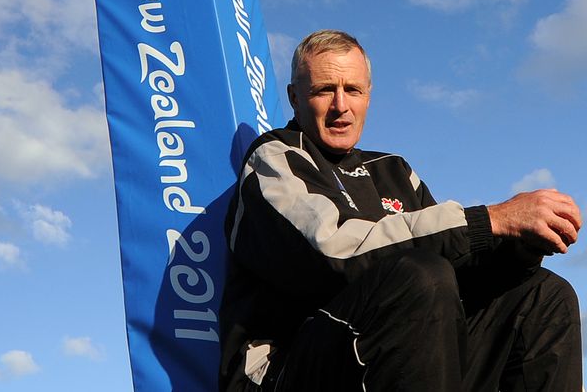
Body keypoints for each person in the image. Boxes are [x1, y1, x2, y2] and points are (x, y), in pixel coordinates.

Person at [219, 29, 582, 391]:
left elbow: (457, 276)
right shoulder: (274, 158)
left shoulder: (393, 170)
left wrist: (520, 248)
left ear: (369, 97)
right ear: (295, 98)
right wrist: (491, 219)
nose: (340, 105)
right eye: (324, 89)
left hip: (397, 352)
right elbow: (334, 252)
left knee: (544, 296)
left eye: (353, 90)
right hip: (285, 370)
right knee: (420, 274)